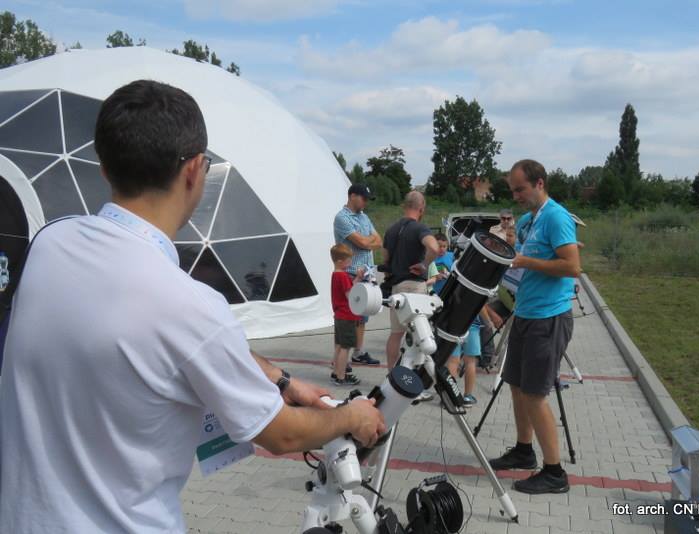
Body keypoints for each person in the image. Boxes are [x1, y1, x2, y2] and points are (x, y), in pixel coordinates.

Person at [0, 80, 385, 533]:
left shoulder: (51, 242)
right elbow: (281, 434)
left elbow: (180, 342)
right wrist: (350, 416)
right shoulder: (190, 305)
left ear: (104, 168)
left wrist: (279, 379)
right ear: (194, 170)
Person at [488, 159, 580, 495]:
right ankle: (524, 450)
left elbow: (572, 266)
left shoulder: (556, 217)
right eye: (512, 190)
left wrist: (527, 262)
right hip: (525, 313)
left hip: (548, 318)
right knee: (516, 385)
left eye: (521, 189)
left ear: (539, 183)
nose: (516, 196)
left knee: (535, 394)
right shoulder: (528, 220)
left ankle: (554, 472)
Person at [382, 191, 439, 371]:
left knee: (395, 334)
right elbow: (434, 248)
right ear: (421, 208)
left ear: (404, 206)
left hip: (397, 287)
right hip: (415, 287)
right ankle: (414, 376)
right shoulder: (420, 228)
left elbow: (385, 260)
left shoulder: (391, 230)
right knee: (419, 335)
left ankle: (392, 374)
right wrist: (424, 264)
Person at [333, 183, 382, 366]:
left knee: (362, 317)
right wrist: (368, 241)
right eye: (363, 198)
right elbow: (363, 242)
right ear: (352, 196)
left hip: (366, 273)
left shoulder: (364, 217)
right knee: (347, 318)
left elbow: (378, 241)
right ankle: (341, 358)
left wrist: (367, 241)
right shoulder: (342, 218)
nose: (365, 202)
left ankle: (358, 352)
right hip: (351, 274)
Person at [330, 244, 364, 386]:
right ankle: (341, 376)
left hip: (339, 315)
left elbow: (348, 288)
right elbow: (350, 296)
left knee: (339, 345)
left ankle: (336, 372)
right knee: (346, 347)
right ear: (340, 261)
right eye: (348, 261)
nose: (350, 263)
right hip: (347, 316)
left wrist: (357, 278)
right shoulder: (343, 276)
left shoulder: (336, 274)